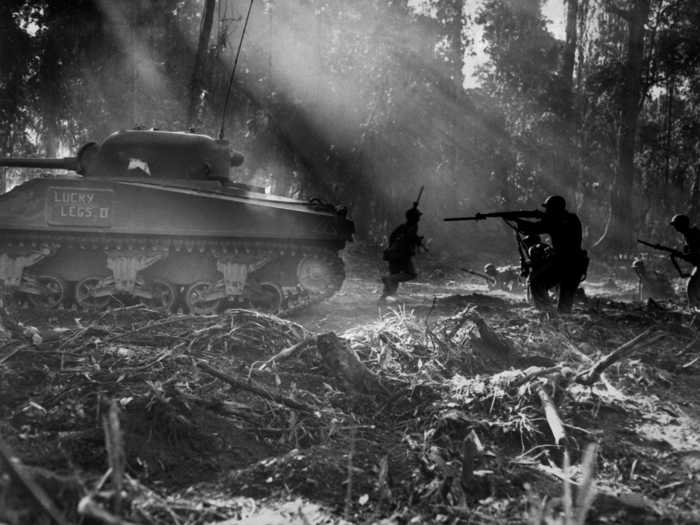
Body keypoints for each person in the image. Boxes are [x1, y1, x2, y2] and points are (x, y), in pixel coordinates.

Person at [514, 195, 588, 313]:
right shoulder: (573, 219)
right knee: (566, 302)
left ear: (555, 209)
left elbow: (535, 228)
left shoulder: (555, 221)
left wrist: (517, 221)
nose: (546, 211)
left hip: (563, 263)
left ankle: (547, 313)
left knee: (536, 282)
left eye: (548, 208)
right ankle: (560, 322)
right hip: (577, 264)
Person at [380, 207, 423, 300]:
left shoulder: (402, 227)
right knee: (410, 274)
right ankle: (387, 281)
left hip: (392, 254)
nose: (419, 219)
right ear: (414, 218)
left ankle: (385, 298)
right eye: (418, 217)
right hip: (402, 256)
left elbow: (392, 237)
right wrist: (416, 241)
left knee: (394, 278)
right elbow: (410, 238)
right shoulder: (412, 227)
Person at [670, 214, 700, 306]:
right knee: (692, 287)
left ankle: (695, 310)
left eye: (676, 225)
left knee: (692, 288)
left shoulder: (693, 234)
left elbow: (696, 254)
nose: (675, 228)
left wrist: (683, 255)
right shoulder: (687, 235)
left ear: (682, 225)